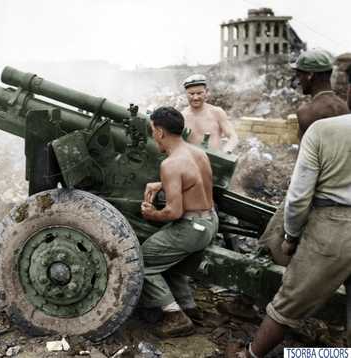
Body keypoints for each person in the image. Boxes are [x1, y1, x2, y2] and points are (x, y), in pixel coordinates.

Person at [231, 113, 351, 357]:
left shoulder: (323, 130)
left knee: (287, 306)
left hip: (334, 228)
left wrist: (291, 236)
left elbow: (298, 197)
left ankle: (249, 355)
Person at [259, 49, 349, 266]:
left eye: (299, 74)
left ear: (310, 75)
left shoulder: (308, 112)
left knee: (273, 242)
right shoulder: (344, 106)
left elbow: (306, 165)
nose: (297, 80)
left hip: (318, 195)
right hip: (342, 188)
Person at [139, 106, 218, 337]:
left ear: (161, 132)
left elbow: (173, 212)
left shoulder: (170, 164)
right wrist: (162, 184)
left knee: (140, 262)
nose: (153, 136)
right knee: (169, 261)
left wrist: (151, 213)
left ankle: (175, 316)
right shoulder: (197, 153)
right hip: (210, 221)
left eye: (153, 130)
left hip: (191, 228)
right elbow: (194, 180)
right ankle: (188, 306)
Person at [182, 74, 238, 153]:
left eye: (199, 93)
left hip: (215, 163)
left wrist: (227, 150)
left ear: (206, 91)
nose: (195, 98)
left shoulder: (216, 112)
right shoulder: (182, 116)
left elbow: (233, 136)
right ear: (186, 93)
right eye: (191, 94)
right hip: (192, 163)